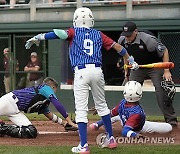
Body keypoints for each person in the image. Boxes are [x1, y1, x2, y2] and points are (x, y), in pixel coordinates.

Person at [25, 7, 139, 153]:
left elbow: (59, 34)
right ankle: (111, 139)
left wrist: (39, 37)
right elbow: (118, 47)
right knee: (102, 106)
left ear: (76, 20)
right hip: (98, 71)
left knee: (81, 109)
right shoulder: (98, 34)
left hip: (81, 71)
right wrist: (130, 59)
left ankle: (84, 145)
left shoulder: (73, 31)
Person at [118, 21, 177, 126]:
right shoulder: (122, 40)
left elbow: (164, 51)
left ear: (136, 31)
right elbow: (125, 54)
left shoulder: (148, 40)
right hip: (138, 66)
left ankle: (171, 120)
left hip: (155, 66)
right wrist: (127, 68)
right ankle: (130, 118)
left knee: (161, 91)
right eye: (125, 34)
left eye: (129, 35)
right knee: (130, 90)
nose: (127, 37)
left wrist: (166, 70)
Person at [89, 81, 172, 147]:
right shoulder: (136, 112)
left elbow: (111, 114)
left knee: (116, 116)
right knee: (169, 127)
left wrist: (102, 111)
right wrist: (135, 135)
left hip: (126, 120)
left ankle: (96, 125)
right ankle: (97, 124)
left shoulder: (123, 102)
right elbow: (125, 131)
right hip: (138, 127)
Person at [0, 77, 78, 138]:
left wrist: (64, 123)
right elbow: (57, 104)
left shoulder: (42, 101)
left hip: (16, 112)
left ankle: (2, 129)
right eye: (55, 90)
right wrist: (69, 120)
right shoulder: (46, 88)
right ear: (53, 87)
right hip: (9, 101)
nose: (54, 92)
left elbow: (49, 114)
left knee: (31, 132)